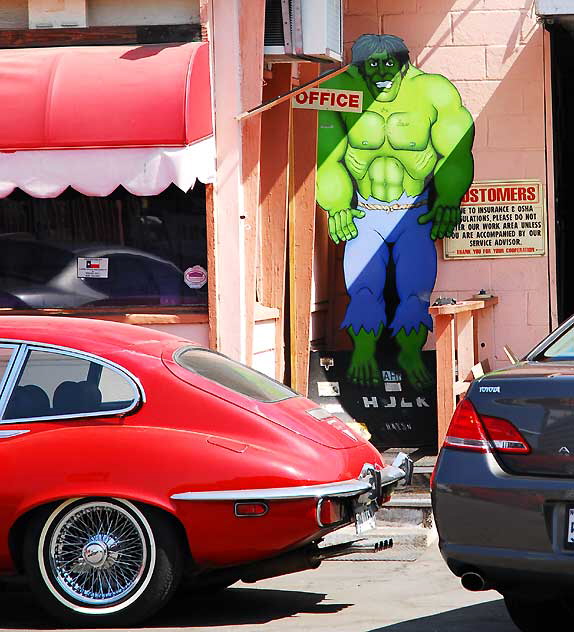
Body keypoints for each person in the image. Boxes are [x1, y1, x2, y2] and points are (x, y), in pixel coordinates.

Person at [316, 34, 474, 389]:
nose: (382, 72)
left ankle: (409, 353)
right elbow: (327, 158)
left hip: (414, 211)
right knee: (363, 288)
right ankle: (363, 352)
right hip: (366, 211)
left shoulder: (433, 92)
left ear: (406, 64)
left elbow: (457, 150)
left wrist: (448, 197)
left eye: (390, 64)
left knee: (415, 290)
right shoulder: (339, 92)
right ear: (358, 69)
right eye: (372, 65)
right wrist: (337, 203)